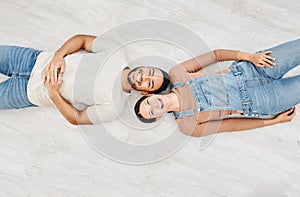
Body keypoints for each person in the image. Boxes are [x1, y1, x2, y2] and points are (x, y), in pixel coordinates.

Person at [134, 39, 299, 137]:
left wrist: (250, 57)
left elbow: (216, 55)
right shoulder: (188, 126)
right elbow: (232, 125)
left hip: (254, 68)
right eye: (151, 112)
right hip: (264, 100)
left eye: (148, 103)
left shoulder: (177, 74)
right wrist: (273, 121)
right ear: (157, 118)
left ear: (150, 95)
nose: (153, 106)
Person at [0, 34, 170, 125]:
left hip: (27, 93)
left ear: (144, 92)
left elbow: (78, 118)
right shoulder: (117, 52)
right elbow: (81, 40)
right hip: (30, 59)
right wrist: (59, 55)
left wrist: (53, 94)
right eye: (150, 71)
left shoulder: (115, 107)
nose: (144, 75)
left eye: (149, 82)